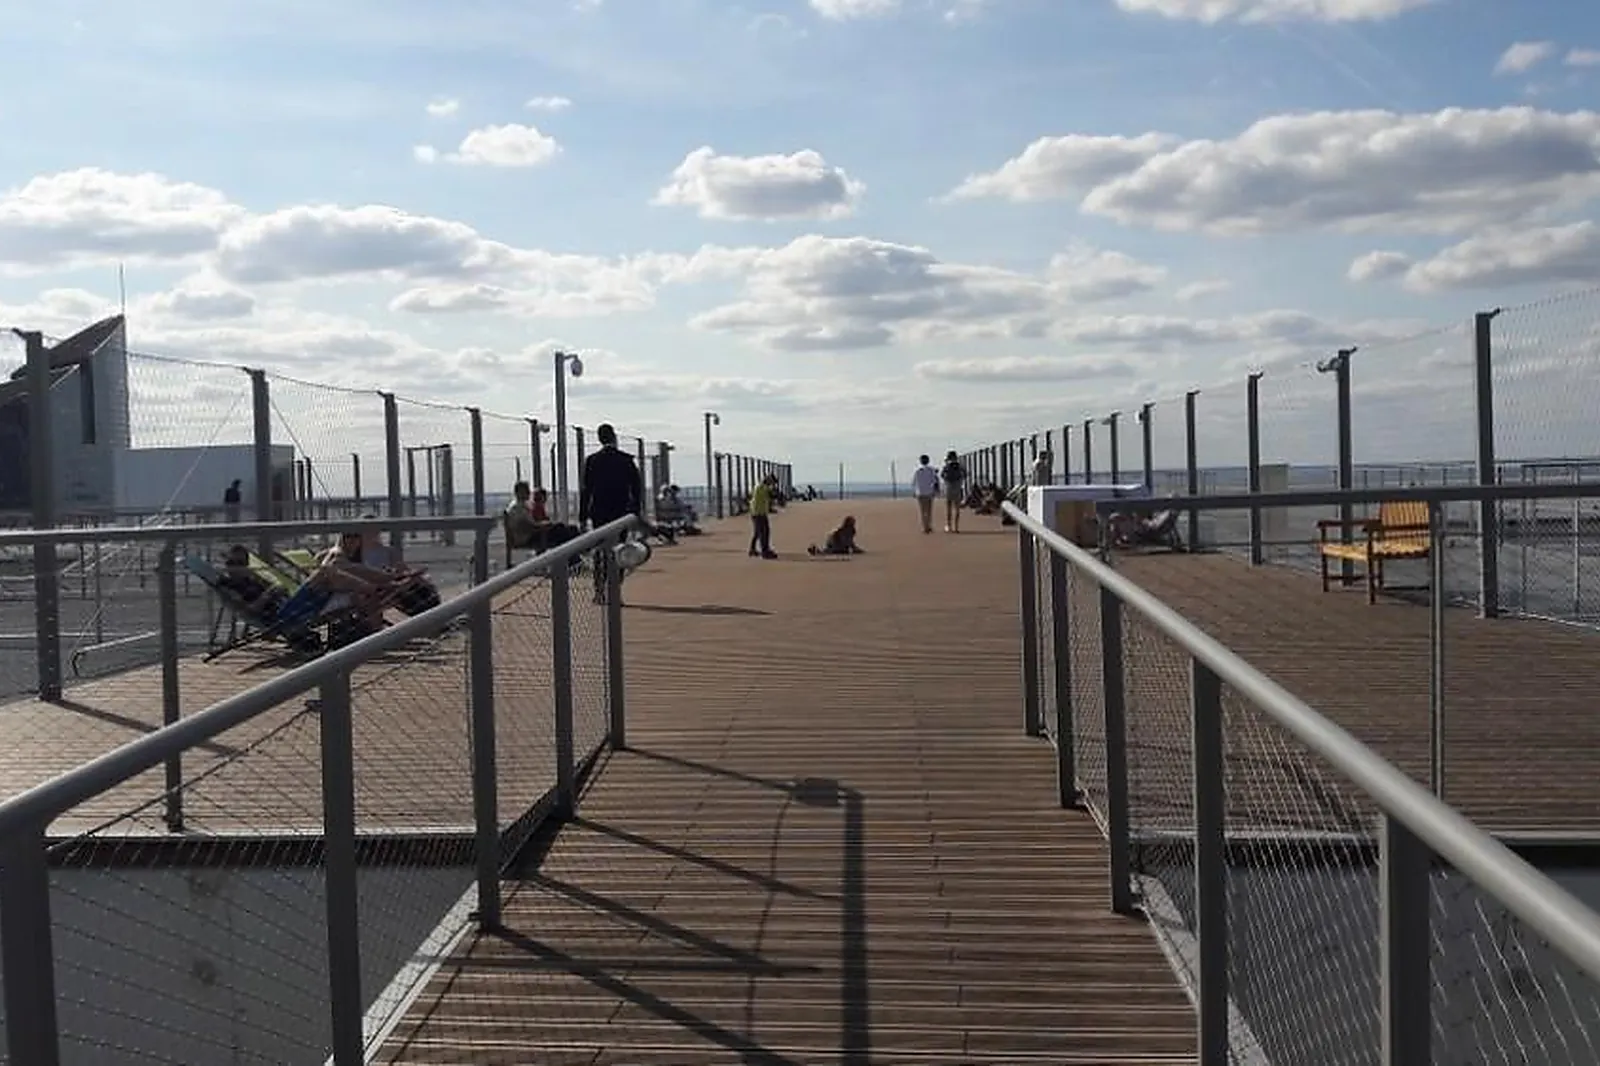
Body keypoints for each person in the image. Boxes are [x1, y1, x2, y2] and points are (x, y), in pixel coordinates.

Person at [579, 423, 644, 604]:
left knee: (600, 551)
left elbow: (586, 490)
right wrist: (635, 512)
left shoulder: (592, 461)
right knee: (620, 550)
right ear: (614, 437)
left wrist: (582, 517)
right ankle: (616, 590)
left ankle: (599, 591)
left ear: (599, 439)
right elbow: (636, 489)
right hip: (620, 512)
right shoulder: (626, 460)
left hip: (599, 512)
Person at [748, 474, 778, 559]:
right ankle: (765, 552)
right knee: (764, 532)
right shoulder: (762, 487)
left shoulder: (760, 486)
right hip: (759, 513)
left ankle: (752, 549)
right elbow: (771, 495)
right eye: (772, 482)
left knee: (758, 532)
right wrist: (773, 491)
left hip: (757, 512)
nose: (772, 484)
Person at [910, 454, 940, 534]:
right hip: (929, 492)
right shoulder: (931, 470)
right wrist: (935, 490)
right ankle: (929, 526)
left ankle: (924, 527)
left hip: (920, 493)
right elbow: (934, 481)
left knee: (922, 511)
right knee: (929, 510)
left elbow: (913, 482)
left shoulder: (917, 471)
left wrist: (914, 491)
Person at [939, 451, 967, 534]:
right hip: (957, 488)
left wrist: (946, 480)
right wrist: (960, 480)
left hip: (949, 488)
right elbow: (965, 474)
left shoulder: (947, 466)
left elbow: (942, 475)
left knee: (948, 507)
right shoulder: (960, 466)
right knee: (957, 508)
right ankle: (956, 526)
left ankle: (948, 525)